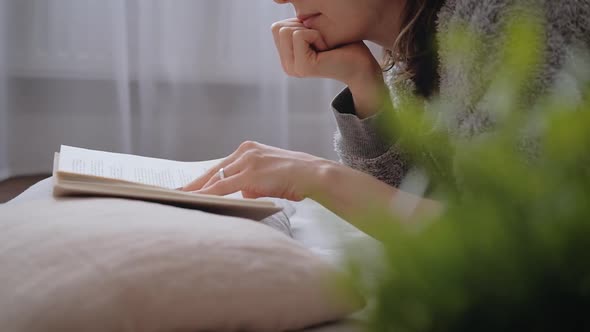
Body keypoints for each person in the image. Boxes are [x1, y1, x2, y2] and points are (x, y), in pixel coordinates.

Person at [182, 0, 589, 237]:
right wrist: (364, 84)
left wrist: (318, 177)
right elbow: (421, 208)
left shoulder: (514, 18)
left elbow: (512, 245)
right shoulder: (424, 47)